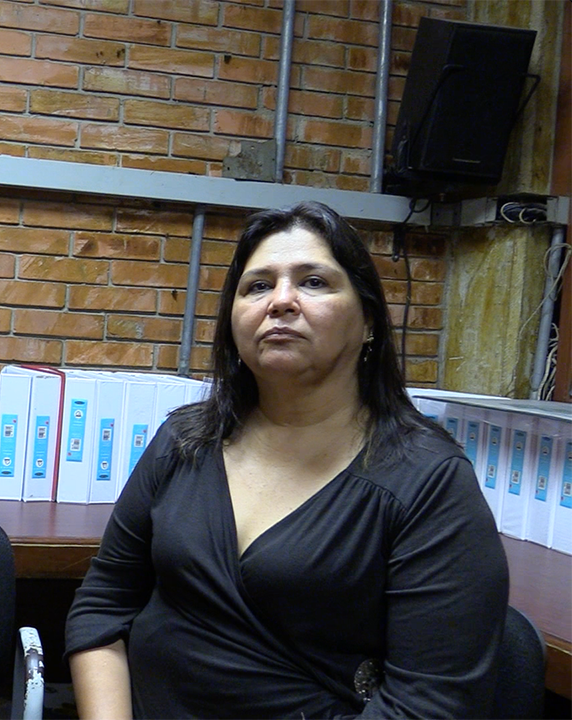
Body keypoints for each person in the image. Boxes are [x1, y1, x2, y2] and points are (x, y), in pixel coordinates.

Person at [65, 201, 509, 719]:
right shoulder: (184, 441)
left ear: (368, 321)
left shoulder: (429, 481)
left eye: (314, 282)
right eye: (257, 286)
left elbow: (428, 705)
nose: (280, 301)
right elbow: (103, 605)